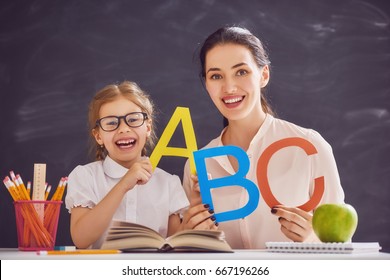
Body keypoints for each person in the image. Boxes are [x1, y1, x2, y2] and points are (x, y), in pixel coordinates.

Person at [182, 26, 345, 249]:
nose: (229, 87)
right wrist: (190, 238)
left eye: (241, 72)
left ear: (264, 75)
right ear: (207, 84)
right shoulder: (198, 164)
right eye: (216, 76)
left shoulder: (309, 147)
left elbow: (344, 251)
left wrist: (314, 240)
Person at [65, 81, 189, 249]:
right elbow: (81, 239)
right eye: (111, 123)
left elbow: (175, 243)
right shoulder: (85, 176)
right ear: (98, 136)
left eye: (133, 120)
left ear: (148, 127)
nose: (123, 129)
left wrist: (196, 218)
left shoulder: (168, 182)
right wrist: (124, 184)